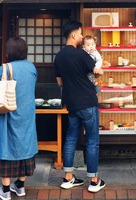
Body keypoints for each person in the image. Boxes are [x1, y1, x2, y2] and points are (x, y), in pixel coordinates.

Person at [54, 21, 105, 193]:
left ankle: (68, 177)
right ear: (74, 35)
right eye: (81, 33)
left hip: (72, 104)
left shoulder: (59, 56)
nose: (83, 37)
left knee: (70, 139)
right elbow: (95, 72)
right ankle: (94, 180)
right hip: (88, 102)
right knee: (92, 141)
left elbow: (60, 82)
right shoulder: (82, 55)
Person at [0, 37, 38, 200]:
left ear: (8, 52)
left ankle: (5, 190)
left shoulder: (5, 68)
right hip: (26, 115)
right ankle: (20, 186)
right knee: (25, 146)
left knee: (6, 147)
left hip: (8, 114)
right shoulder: (31, 67)